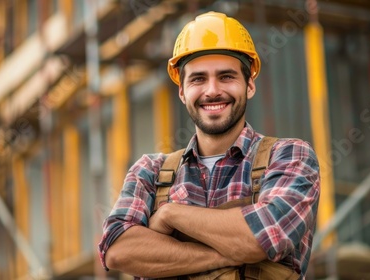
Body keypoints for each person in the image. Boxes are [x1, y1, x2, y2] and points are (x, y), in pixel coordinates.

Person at [98, 11, 320, 279]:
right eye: (198, 79)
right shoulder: (150, 171)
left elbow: (265, 236)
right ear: (182, 91)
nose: (212, 90)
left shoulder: (290, 156)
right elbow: (118, 250)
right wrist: (230, 254)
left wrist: (170, 215)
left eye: (226, 76)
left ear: (249, 85)